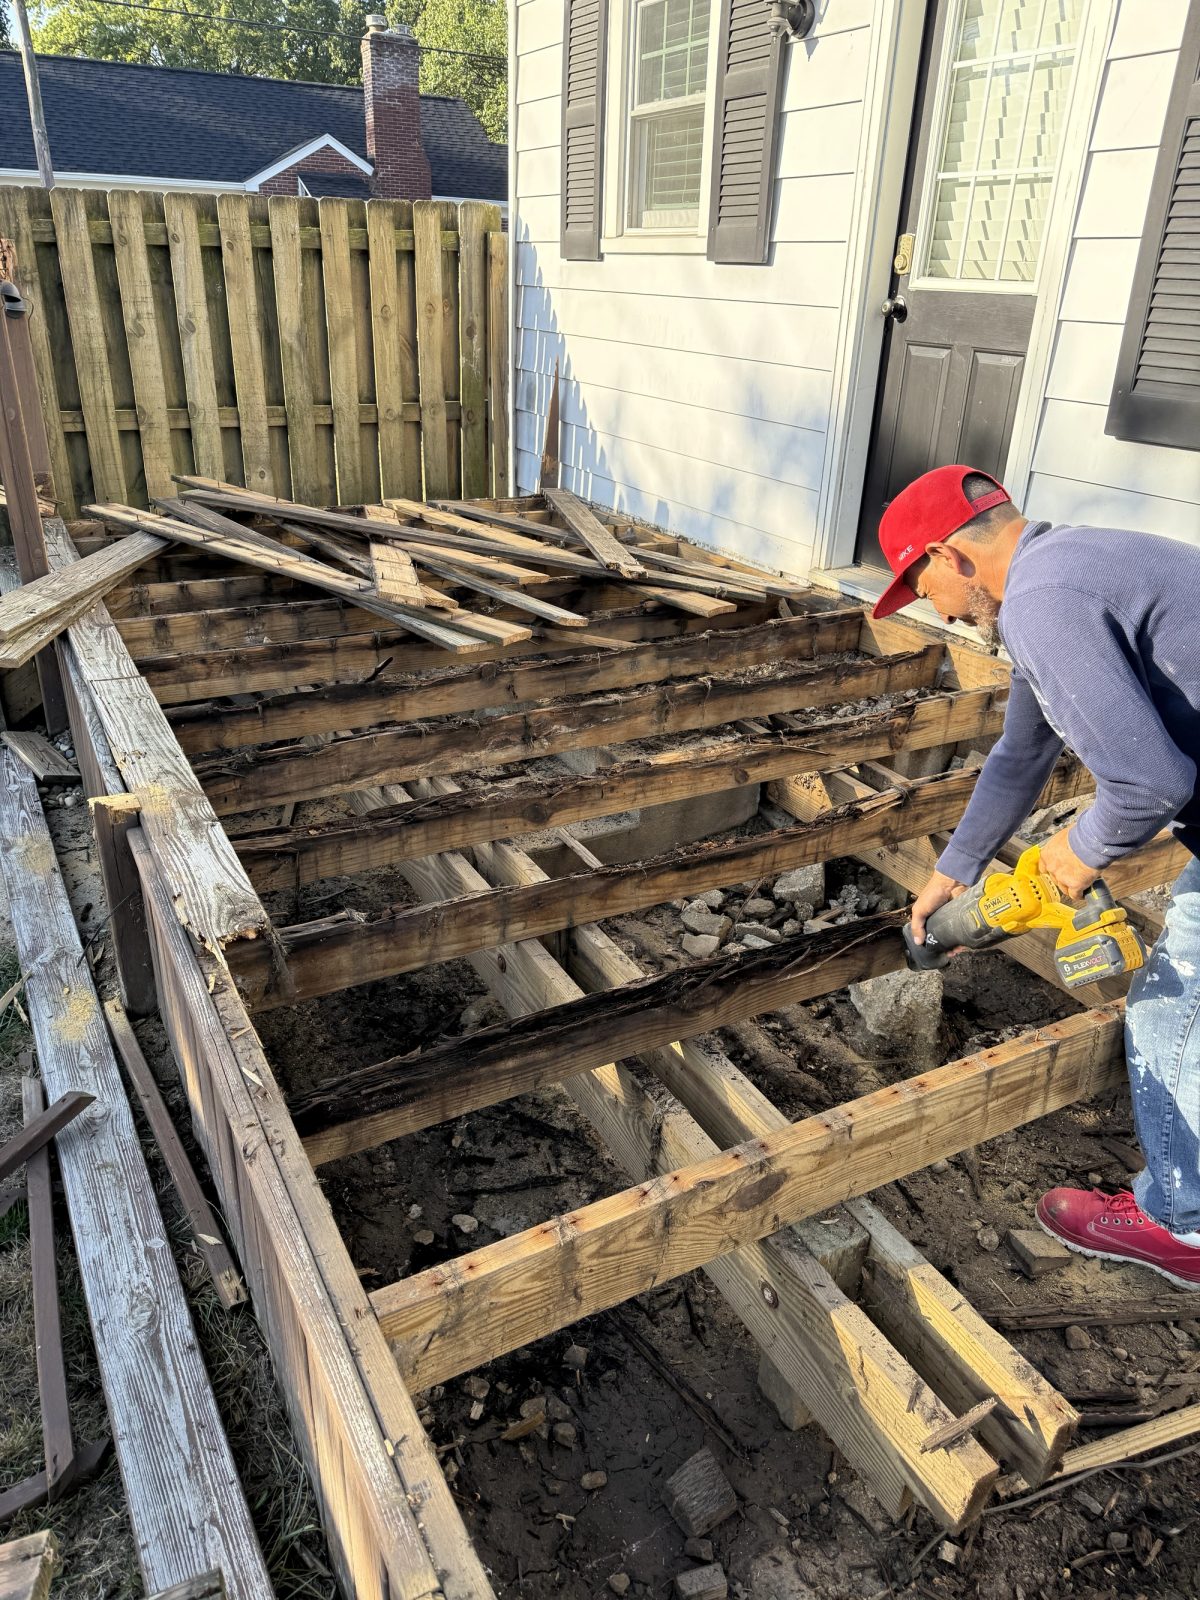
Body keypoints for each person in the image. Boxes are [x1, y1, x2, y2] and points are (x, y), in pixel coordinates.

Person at [873, 464, 1200, 1288]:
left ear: (950, 556)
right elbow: (1024, 750)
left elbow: (1151, 784)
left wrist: (1077, 851)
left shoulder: (1042, 602)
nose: (938, 613)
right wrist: (957, 869)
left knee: (1171, 1017)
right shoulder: (1065, 571)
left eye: (925, 589)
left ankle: (1180, 1225)